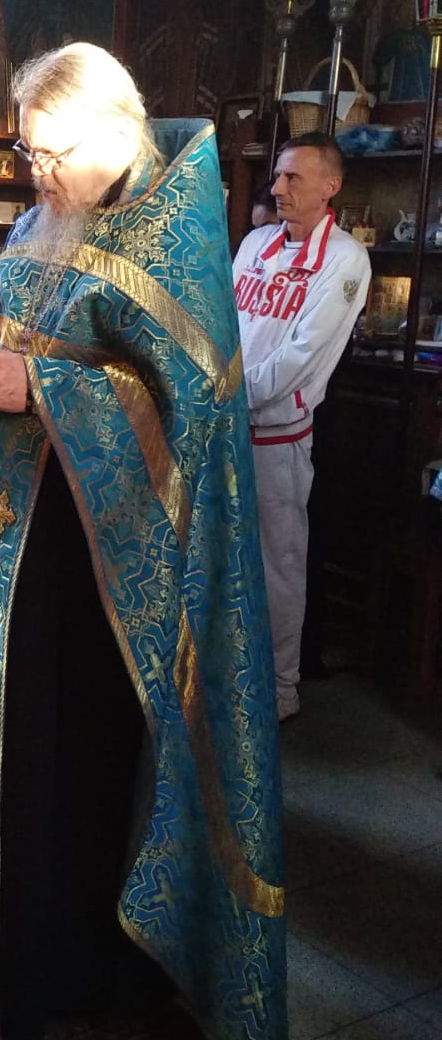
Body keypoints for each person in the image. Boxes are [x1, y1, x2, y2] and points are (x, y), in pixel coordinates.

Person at [0, 42, 286, 1040]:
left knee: (63, 746)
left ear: (115, 129)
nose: (36, 175)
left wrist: (40, 388)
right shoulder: (48, 214)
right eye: (27, 155)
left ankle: (71, 966)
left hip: (102, 565)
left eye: (51, 154)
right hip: (9, 533)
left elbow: (189, 407)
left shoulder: (173, 232)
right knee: (5, 725)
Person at [233, 131, 371, 721]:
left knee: (279, 564)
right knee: (223, 554)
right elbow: (226, 324)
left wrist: (228, 394)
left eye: (293, 176)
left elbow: (301, 357)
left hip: (276, 435)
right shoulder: (255, 244)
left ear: (329, 187)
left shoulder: (346, 259)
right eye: (278, 174)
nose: (278, 186)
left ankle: (281, 687)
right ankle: (228, 675)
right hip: (226, 425)